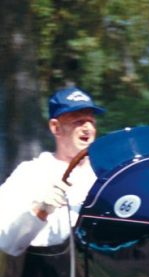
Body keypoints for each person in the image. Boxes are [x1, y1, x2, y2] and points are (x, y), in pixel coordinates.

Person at [0, 87, 105, 257]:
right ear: (56, 128)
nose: (87, 128)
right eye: (78, 121)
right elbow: (5, 241)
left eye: (91, 121)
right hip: (47, 274)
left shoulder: (105, 174)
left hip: (100, 274)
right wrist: (39, 211)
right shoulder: (31, 173)